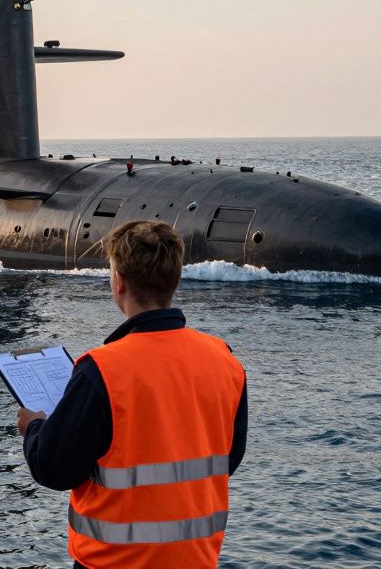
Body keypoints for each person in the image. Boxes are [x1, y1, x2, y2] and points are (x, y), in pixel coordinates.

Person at [17, 220, 248, 569]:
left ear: (118, 282)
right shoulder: (224, 360)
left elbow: (53, 469)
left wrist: (34, 428)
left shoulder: (101, 369)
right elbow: (227, 459)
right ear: (175, 280)